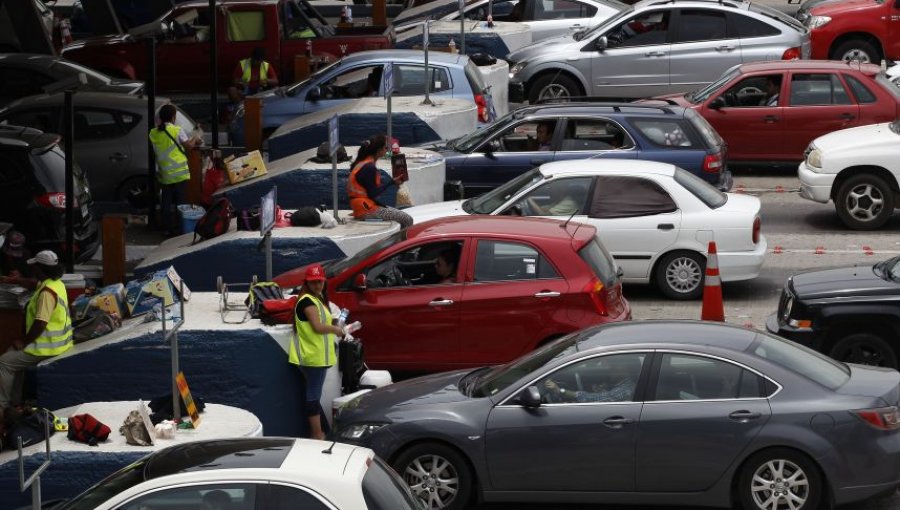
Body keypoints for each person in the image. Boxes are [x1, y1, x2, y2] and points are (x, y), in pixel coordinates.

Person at [0, 251, 72, 411]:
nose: (32, 269)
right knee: (12, 357)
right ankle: (15, 402)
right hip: (59, 343)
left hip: (47, 347)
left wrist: (24, 341)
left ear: (40, 269)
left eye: (35, 267)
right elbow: (34, 284)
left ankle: (2, 407)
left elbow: (40, 323)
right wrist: (16, 280)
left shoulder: (47, 293)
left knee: (4, 363)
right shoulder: (55, 283)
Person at [288, 264, 347, 440]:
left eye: (320, 282)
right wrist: (336, 330)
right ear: (306, 283)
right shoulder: (307, 301)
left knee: (314, 394)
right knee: (313, 396)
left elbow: (321, 322)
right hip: (313, 357)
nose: (317, 286)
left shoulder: (316, 298)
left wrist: (337, 324)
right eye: (313, 283)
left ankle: (318, 432)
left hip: (317, 356)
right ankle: (317, 434)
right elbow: (318, 327)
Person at [149, 104, 201, 235]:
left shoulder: (153, 133)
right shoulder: (177, 130)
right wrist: (195, 138)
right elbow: (188, 146)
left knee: (165, 202)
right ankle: (181, 228)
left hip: (164, 173)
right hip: (179, 173)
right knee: (180, 202)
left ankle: (166, 228)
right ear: (173, 117)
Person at [347, 135, 414, 228]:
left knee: (398, 214)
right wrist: (391, 183)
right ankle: (403, 242)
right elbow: (373, 193)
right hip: (366, 209)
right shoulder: (369, 168)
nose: (387, 150)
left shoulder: (362, 163)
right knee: (407, 219)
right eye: (385, 148)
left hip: (361, 207)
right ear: (378, 150)